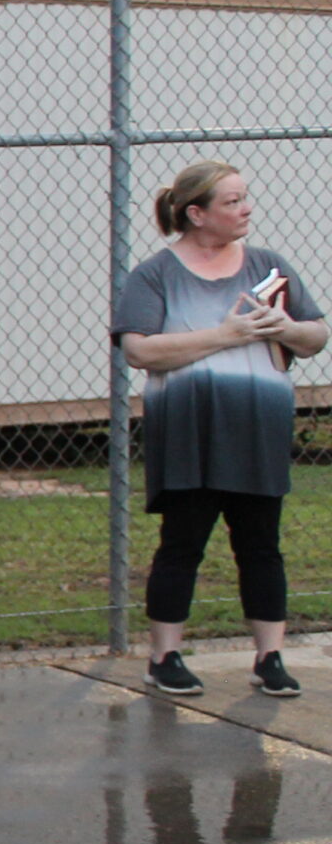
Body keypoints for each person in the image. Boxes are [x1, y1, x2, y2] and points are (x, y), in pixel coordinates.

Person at [114, 159, 326, 698]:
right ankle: (164, 657)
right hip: (189, 429)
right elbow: (139, 349)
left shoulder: (268, 266)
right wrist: (226, 335)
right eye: (232, 201)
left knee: (261, 545)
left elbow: (316, 335)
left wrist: (288, 327)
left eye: (244, 197)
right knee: (182, 543)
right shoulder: (155, 274)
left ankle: (269, 657)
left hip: (257, 427)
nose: (246, 209)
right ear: (196, 214)